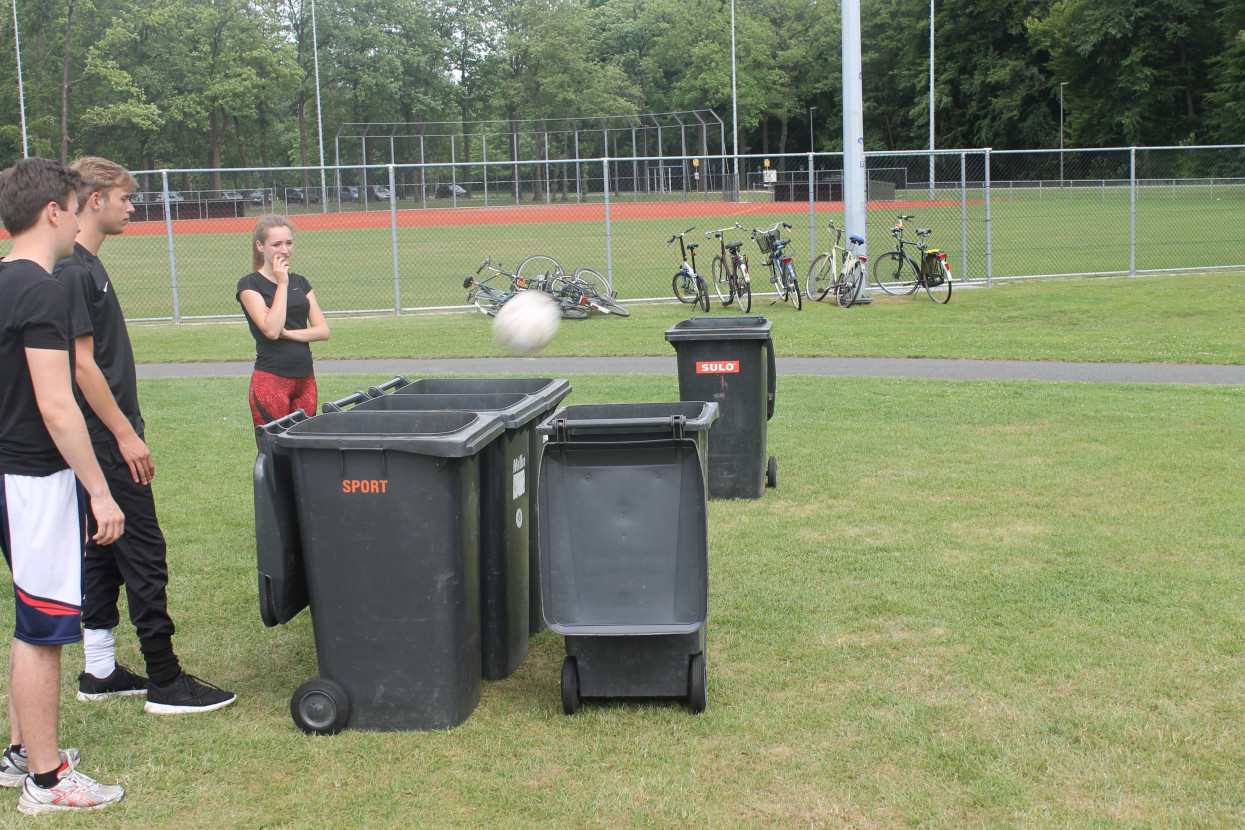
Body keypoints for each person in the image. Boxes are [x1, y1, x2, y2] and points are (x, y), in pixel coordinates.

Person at [52, 157, 237, 715]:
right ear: (94, 201)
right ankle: (165, 680)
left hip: (103, 437)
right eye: (125, 198)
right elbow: (83, 369)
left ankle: (100, 669)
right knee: (143, 549)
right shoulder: (73, 272)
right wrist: (125, 436)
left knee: (104, 548)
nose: (132, 207)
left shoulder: (85, 266)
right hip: (105, 440)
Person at [0, 157, 125, 814]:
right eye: (76, 208)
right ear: (55, 212)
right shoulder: (42, 289)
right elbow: (57, 404)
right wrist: (99, 490)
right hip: (32, 477)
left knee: (32, 620)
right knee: (42, 629)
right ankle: (45, 781)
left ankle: (22, 752)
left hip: (10, 474)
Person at [236, 216, 329, 427]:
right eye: (276, 244)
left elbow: (322, 331)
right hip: (271, 379)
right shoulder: (250, 284)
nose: (284, 250)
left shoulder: (301, 282)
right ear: (260, 246)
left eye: (289, 242)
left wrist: (288, 333)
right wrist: (282, 284)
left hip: (305, 378)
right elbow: (271, 330)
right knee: (275, 449)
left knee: (304, 446)